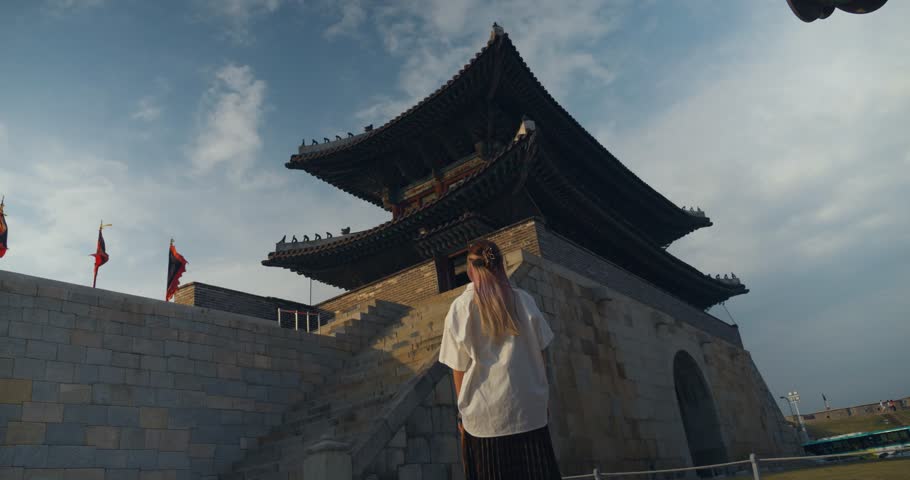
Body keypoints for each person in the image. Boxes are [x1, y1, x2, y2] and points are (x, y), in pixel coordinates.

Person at [438, 239, 561, 480]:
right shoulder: (524, 301)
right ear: (501, 265)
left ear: (470, 270)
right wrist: (541, 394)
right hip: (529, 411)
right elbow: (541, 352)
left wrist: (462, 414)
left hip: (485, 417)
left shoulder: (460, 307)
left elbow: (459, 368)